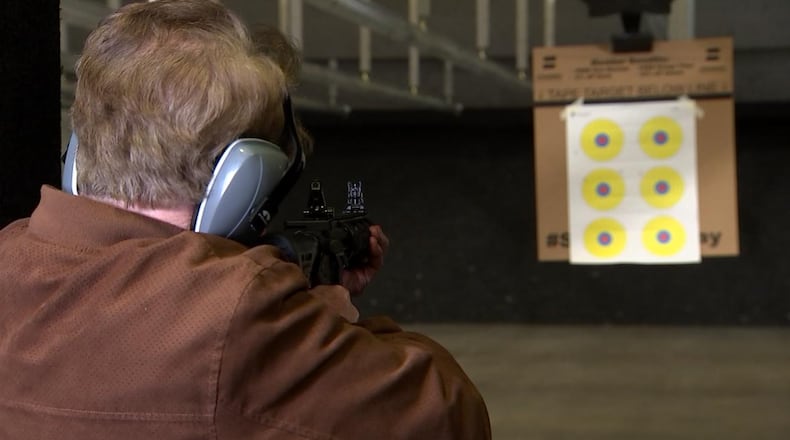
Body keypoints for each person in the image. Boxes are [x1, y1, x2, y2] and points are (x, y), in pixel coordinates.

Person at [0, 1, 491, 439]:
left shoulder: (10, 256)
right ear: (244, 180)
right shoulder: (240, 313)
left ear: (79, 153)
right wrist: (331, 312)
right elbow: (448, 412)